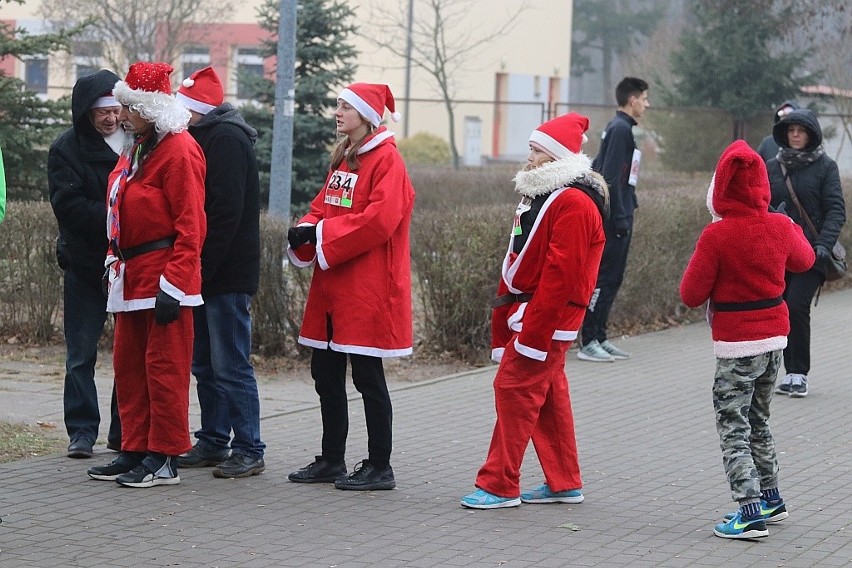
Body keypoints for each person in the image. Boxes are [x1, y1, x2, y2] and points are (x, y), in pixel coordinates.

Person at [461, 113, 608, 509]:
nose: (528, 156)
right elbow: (520, 260)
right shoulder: (542, 195)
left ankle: (498, 484)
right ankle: (564, 481)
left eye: (536, 149)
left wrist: (533, 335)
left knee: (514, 389)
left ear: (556, 156)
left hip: (547, 318)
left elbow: (562, 275)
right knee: (548, 396)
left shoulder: (573, 202)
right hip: (535, 314)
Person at [680, 140, 814, 539]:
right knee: (759, 421)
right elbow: (806, 261)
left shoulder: (717, 235)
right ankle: (772, 497)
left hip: (738, 346)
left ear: (720, 189)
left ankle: (749, 510)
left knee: (732, 426)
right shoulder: (779, 226)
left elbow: (690, 295)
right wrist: (784, 224)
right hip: (775, 341)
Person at [286, 82, 415, 491]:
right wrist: (306, 229)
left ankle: (380, 466)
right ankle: (332, 459)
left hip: (367, 286)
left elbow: (380, 221)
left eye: (345, 107)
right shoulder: (345, 159)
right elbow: (323, 206)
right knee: (324, 374)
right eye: (338, 105)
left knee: (367, 377)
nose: (337, 112)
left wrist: (323, 235)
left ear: (366, 114)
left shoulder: (387, 162)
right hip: (333, 286)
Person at [85, 61, 207, 488]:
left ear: (150, 108)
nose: (120, 115)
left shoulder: (180, 151)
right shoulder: (136, 147)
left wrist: (174, 283)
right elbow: (119, 209)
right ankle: (135, 448)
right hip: (131, 272)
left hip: (163, 277)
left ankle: (165, 455)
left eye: (128, 107)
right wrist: (111, 258)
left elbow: (191, 224)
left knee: (164, 368)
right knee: (130, 366)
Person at [173, 66, 266, 478]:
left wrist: (202, 267)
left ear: (197, 110)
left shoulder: (225, 140)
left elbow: (224, 213)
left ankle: (249, 446)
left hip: (225, 275)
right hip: (210, 273)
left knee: (231, 364)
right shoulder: (204, 136)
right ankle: (213, 439)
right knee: (206, 364)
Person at [48, 69, 126, 458]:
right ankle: (81, 430)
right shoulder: (67, 149)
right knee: (81, 354)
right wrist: (118, 216)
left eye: (115, 110)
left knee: (127, 352)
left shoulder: (136, 142)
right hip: (84, 263)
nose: (111, 119)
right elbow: (68, 206)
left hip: (127, 264)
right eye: (102, 113)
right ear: (86, 114)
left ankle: (122, 430)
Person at [766, 109, 846, 398]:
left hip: (812, 253)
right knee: (776, 308)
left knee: (796, 305)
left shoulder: (825, 166)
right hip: (778, 252)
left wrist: (824, 244)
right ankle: (772, 371)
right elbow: (759, 204)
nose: (796, 135)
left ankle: (798, 373)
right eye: (791, 130)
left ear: (811, 133)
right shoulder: (772, 167)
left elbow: (836, 209)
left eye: (801, 130)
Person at [578, 76, 649, 362]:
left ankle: (601, 336)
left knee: (613, 279)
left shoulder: (620, 128)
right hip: (615, 220)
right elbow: (609, 176)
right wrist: (617, 216)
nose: (647, 104)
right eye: (644, 98)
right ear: (632, 99)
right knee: (603, 279)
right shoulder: (619, 129)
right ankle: (588, 340)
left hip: (621, 215)